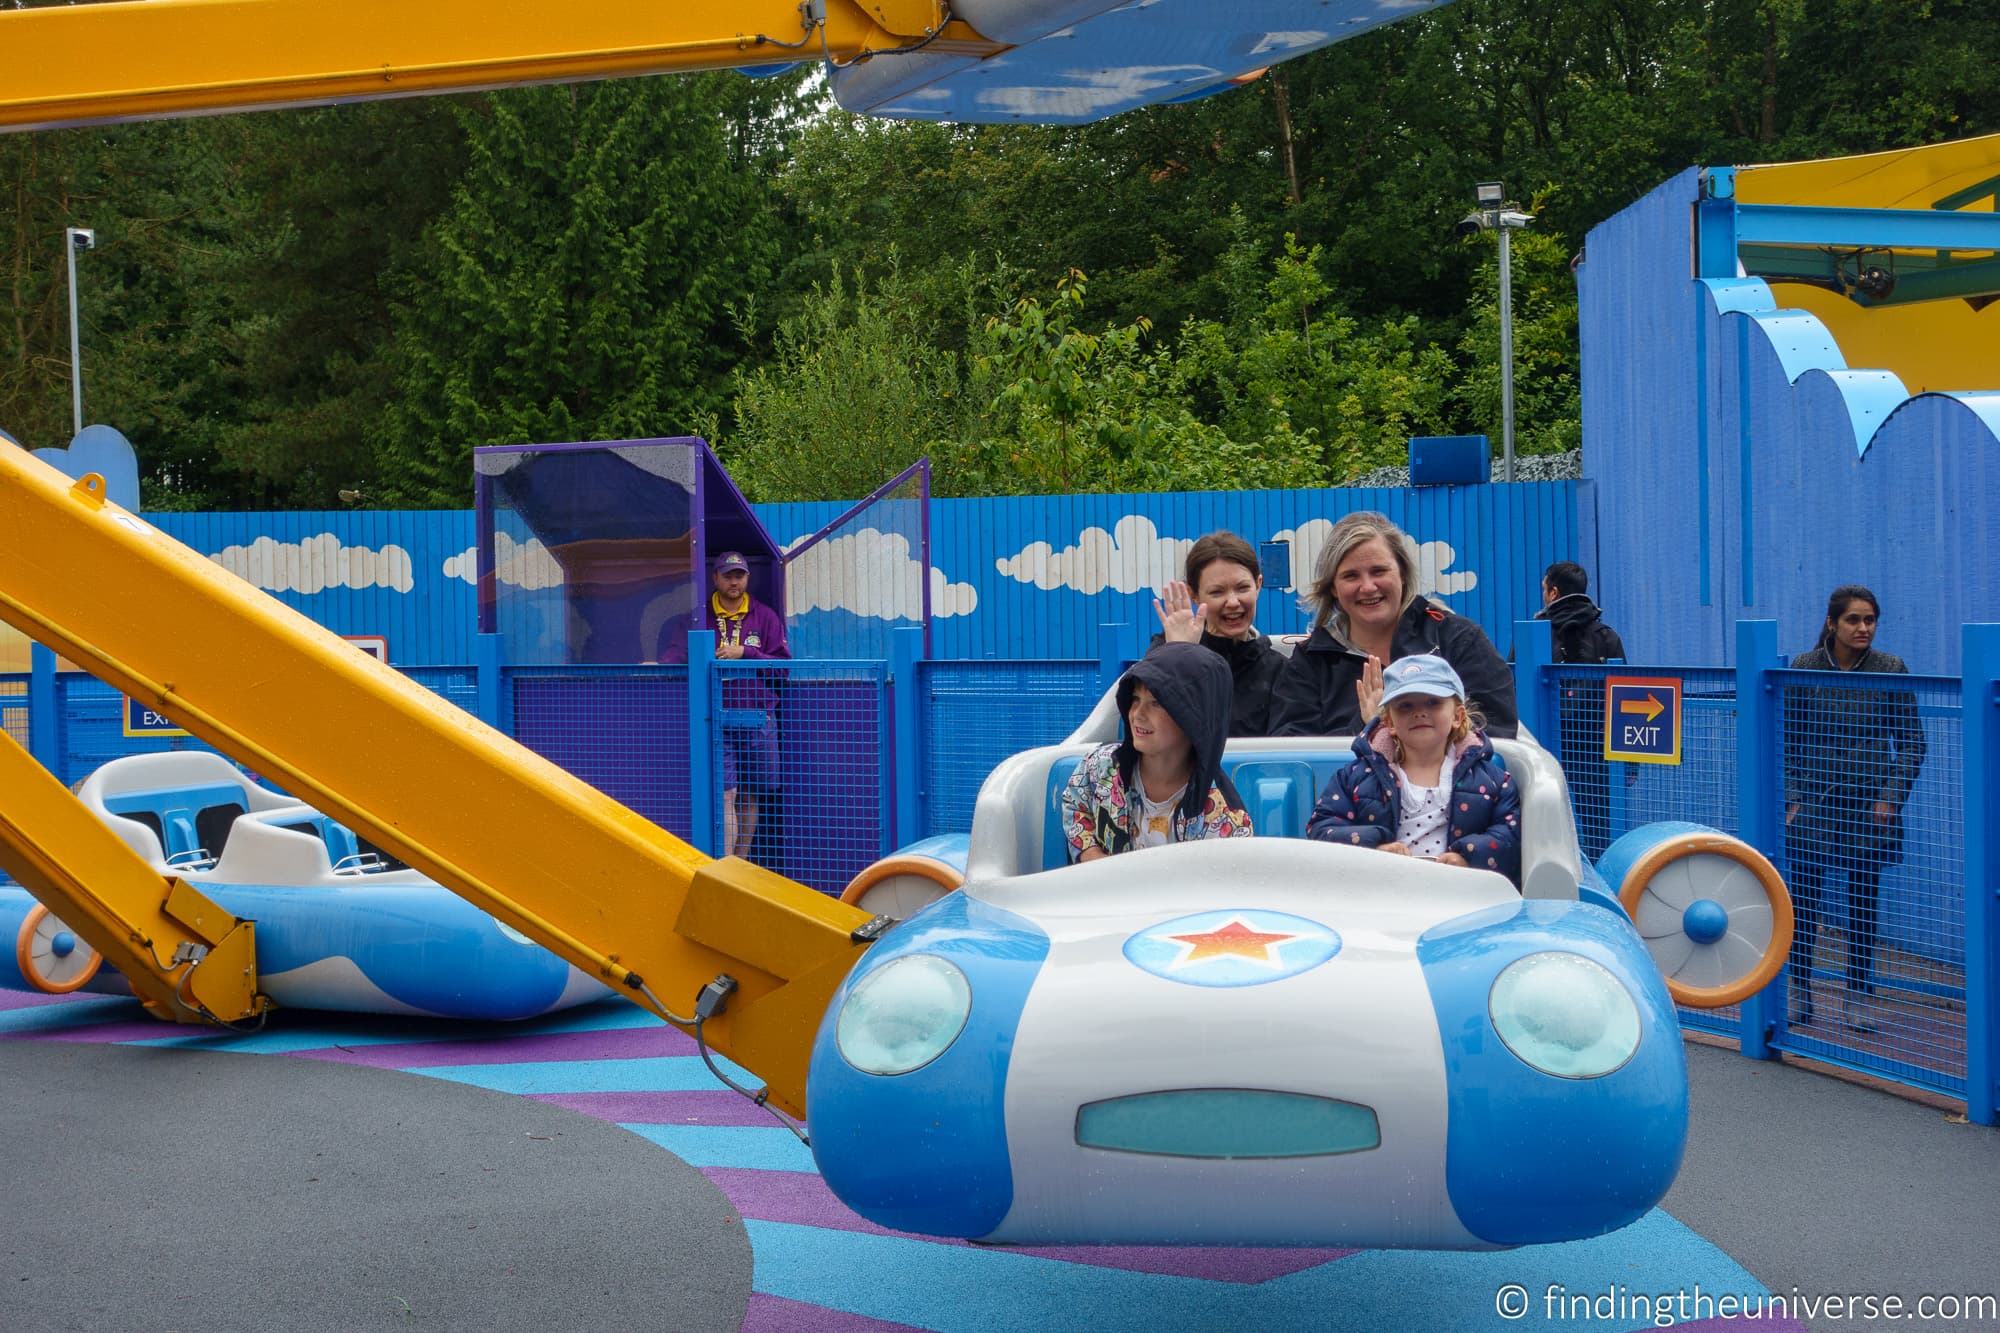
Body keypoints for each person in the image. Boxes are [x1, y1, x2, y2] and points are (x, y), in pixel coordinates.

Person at [1782, 585, 1926, 1032]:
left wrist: (1890, 797)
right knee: (1803, 902)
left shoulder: (1890, 669)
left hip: (1869, 808)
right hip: (1814, 804)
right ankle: (1798, 990)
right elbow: (1786, 739)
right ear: (1832, 623)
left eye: (1870, 620)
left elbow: (1912, 743)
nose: (1863, 628)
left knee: (1863, 902)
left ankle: (1859, 994)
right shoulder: (1804, 668)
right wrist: (1792, 799)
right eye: (1853, 620)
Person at [1269, 511, 1516, 739]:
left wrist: (1402, 729)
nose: (1367, 587)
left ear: (1402, 574)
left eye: (1379, 571)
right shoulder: (1311, 662)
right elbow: (1293, 754)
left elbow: (1497, 731)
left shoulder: (1457, 640)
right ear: (1333, 587)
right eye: (1351, 576)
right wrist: (1368, 727)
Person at [1304, 654, 1521, 886]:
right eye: (1405, 706)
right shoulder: (1355, 776)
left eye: (1433, 702)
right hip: (1378, 892)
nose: (1419, 712)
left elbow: (1509, 835)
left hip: (1461, 892)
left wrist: (1467, 858)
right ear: (1389, 723)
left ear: (1457, 716)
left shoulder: (1494, 781)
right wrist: (1374, 849)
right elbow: (1322, 828)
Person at [1060, 642, 1253, 861]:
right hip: (1106, 894)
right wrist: (1089, 853)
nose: (1138, 714)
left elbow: (1218, 886)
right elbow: (1075, 801)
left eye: (1157, 703)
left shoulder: (1225, 818)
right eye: (1135, 699)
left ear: (1194, 719)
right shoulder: (1100, 767)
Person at [656, 551, 789, 858]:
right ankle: (727, 864)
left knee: (751, 793)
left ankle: (739, 864)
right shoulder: (698, 616)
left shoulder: (764, 616)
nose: (733, 581)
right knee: (726, 792)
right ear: (714, 578)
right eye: (727, 575)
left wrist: (746, 653)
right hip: (714, 717)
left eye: (739, 575)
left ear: (747, 578)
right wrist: (656, 666)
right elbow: (677, 655)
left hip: (757, 716)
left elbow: (783, 668)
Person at [1150, 531, 1285, 736]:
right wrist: (1179, 656)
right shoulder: (1166, 651)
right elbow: (1148, 725)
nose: (1232, 602)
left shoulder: (1279, 669)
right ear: (1193, 595)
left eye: (1242, 588)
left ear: (1258, 585)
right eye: (1217, 592)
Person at [1535, 561, 1625, 859]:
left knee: (1544, 825)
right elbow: (1627, 699)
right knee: (1600, 829)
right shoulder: (1606, 637)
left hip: (1543, 751)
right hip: (1597, 752)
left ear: (1553, 593)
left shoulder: (1535, 635)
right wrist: (1631, 764)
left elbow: (1512, 688)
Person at [1537, 561, 1625, 664]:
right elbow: (1624, 678)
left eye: (1544, 589)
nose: (1543, 595)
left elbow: (1516, 676)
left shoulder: (1531, 637)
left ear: (1554, 593)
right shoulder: (1607, 637)